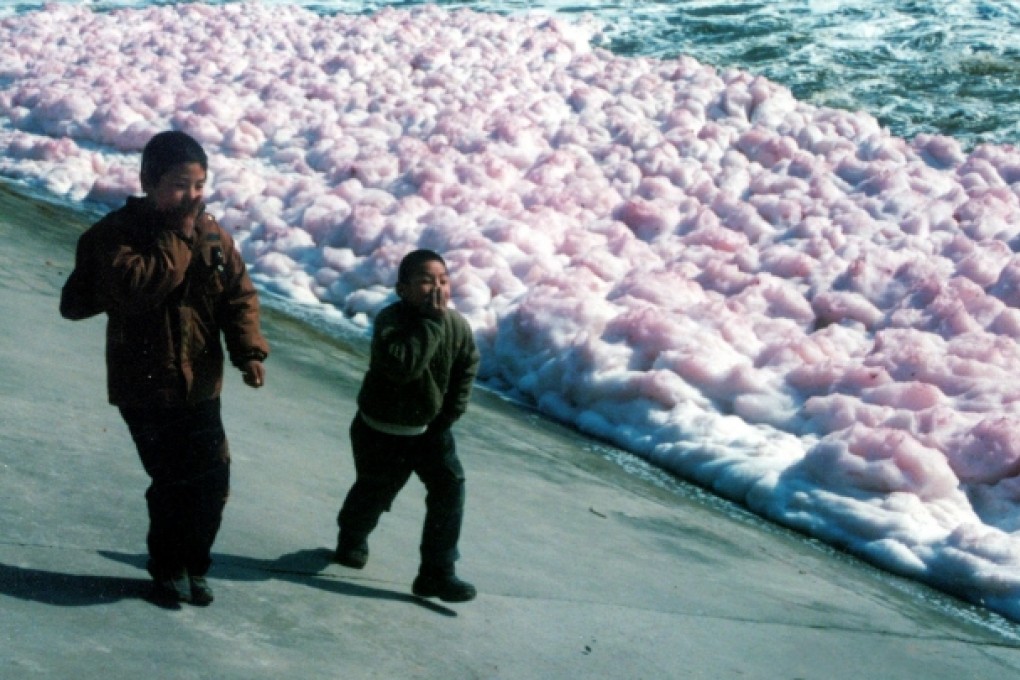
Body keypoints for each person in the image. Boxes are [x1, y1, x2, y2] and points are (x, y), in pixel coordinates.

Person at [60, 130, 269, 606]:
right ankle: (168, 565)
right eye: (179, 185)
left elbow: (239, 297)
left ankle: (195, 565)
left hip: (201, 386)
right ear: (149, 183)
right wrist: (177, 236)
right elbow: (138, 285)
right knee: (173, 480)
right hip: (145, 387)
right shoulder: (116, 236)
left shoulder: (213, 235)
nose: (192, 196)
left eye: (199, 185)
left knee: (213, 482)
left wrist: (249, 350)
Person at [334, 248, 480, 602]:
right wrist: (429, 323)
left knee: (449, 488)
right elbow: (404, 368)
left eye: (444, 281)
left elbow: (467, 367)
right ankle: (352, 535)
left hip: (430, 430)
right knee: (376, 491)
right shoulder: (391, 322)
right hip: (383, 429)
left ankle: (437, 572)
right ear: (403, 289)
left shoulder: (457, 325)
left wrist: (447, 418)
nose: (437, 289)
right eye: (426, 281)